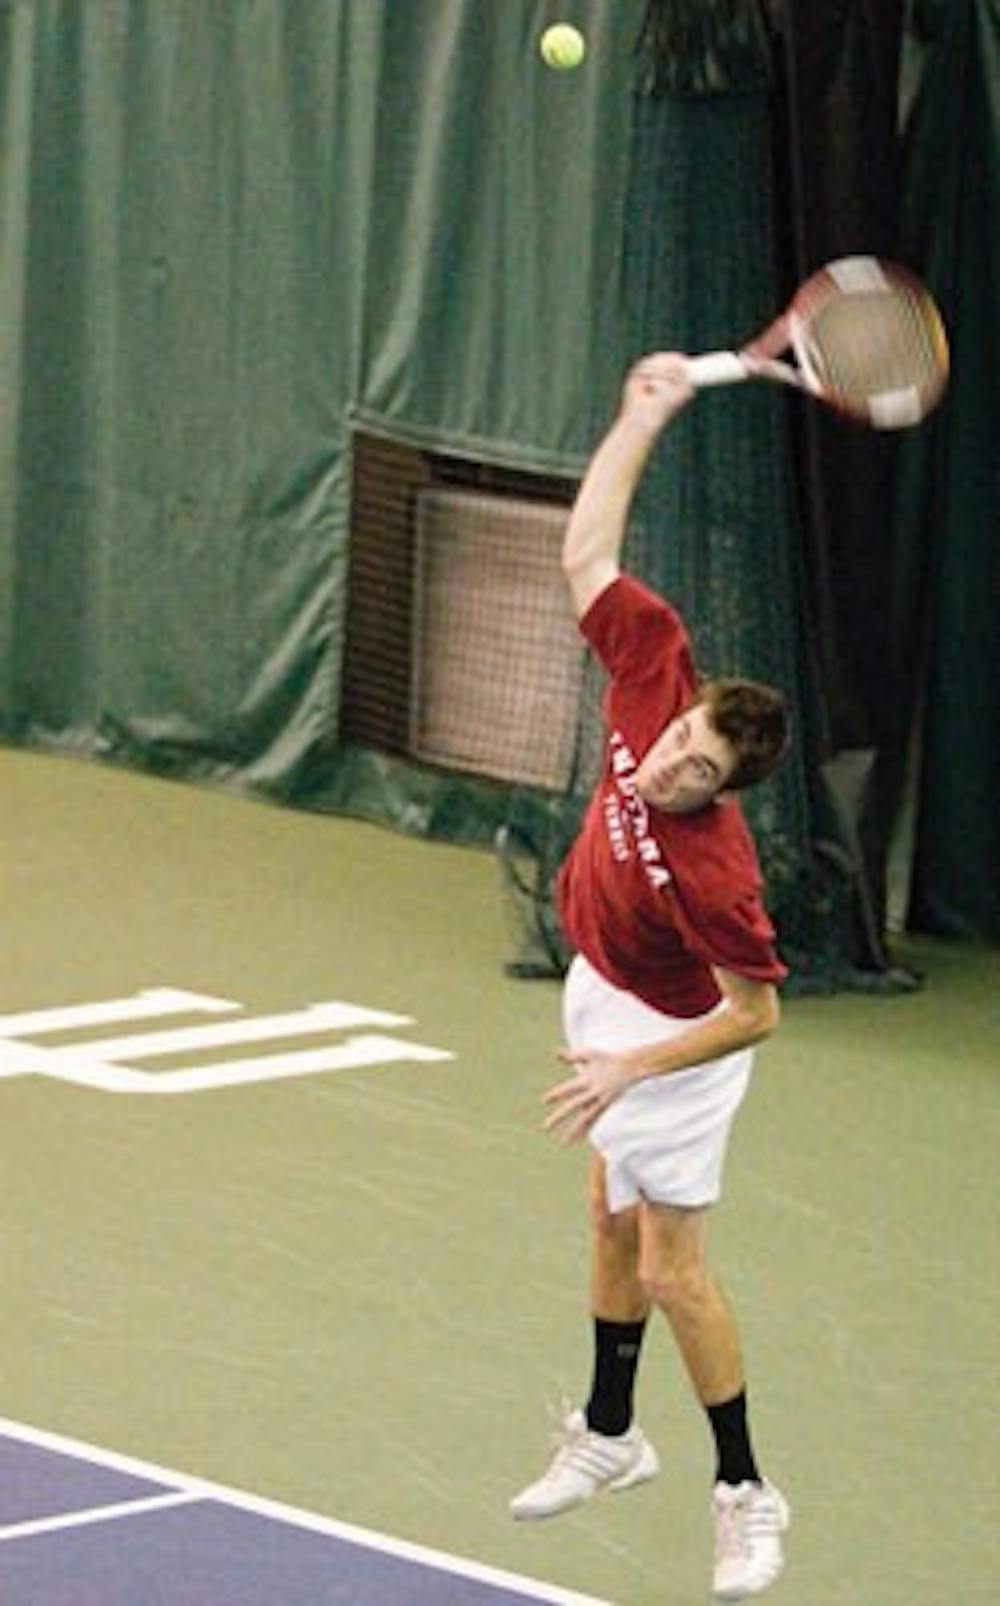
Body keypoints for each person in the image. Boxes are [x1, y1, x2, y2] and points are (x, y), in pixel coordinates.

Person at [509, 354, 792, 1601]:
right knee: (602, 1219)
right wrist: (639, 418)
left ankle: (746, 1491)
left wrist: (634, 1063)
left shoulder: (721, 875)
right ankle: (612, 1436)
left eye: (694, 773)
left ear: (726, 795)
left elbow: (757, 1013)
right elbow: (586, 554)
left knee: (673, 1265)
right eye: (678, 745)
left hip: (677, 1045)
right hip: (600, 990)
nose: (669, 768)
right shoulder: (652, 670)